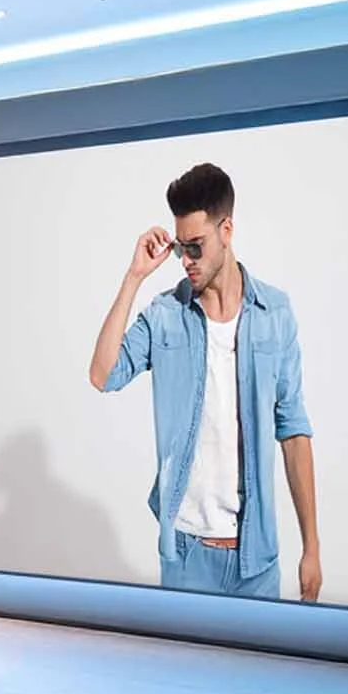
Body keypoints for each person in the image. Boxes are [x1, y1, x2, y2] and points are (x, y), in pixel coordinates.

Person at [86, 163, 322, 602]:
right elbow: (103, 374)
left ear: (226, 230)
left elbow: (293, 431)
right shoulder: (165, 315)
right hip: (186, 556)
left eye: (196, 246)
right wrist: (134, 277)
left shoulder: (275, 314)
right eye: (181, 248)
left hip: (257, 560)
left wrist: (312, 547)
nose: (186, 260)